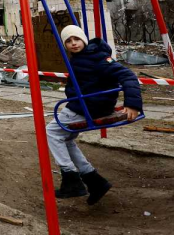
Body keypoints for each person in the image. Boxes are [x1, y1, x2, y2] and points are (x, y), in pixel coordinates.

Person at [46, 25, 142, 205]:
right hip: (86, 104)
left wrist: (132, 104)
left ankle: (71, 179)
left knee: (51, 132)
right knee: (65, 138)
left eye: (76, 39)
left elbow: (128, 75)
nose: (73, 43)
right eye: (68, 41)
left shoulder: (98, 58)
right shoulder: (81, 57)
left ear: (84, 39)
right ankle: (94, 181)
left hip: (90, 107)